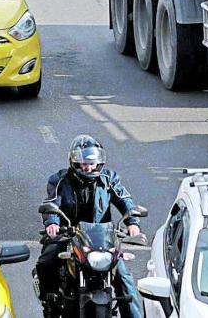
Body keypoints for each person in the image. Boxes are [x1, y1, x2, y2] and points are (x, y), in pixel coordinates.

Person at [34, 135, 143, 318]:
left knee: (124, 277)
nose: (88, 167)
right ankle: (49, 301)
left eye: (92, 163)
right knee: (47, 262)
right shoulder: (60, 180)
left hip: (102, 238)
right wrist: (52, 222)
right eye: (84, 163)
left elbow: (125, 200)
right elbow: (52, 202)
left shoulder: (109, 179)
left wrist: (132, 222)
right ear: (75, 162)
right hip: (69, 234)